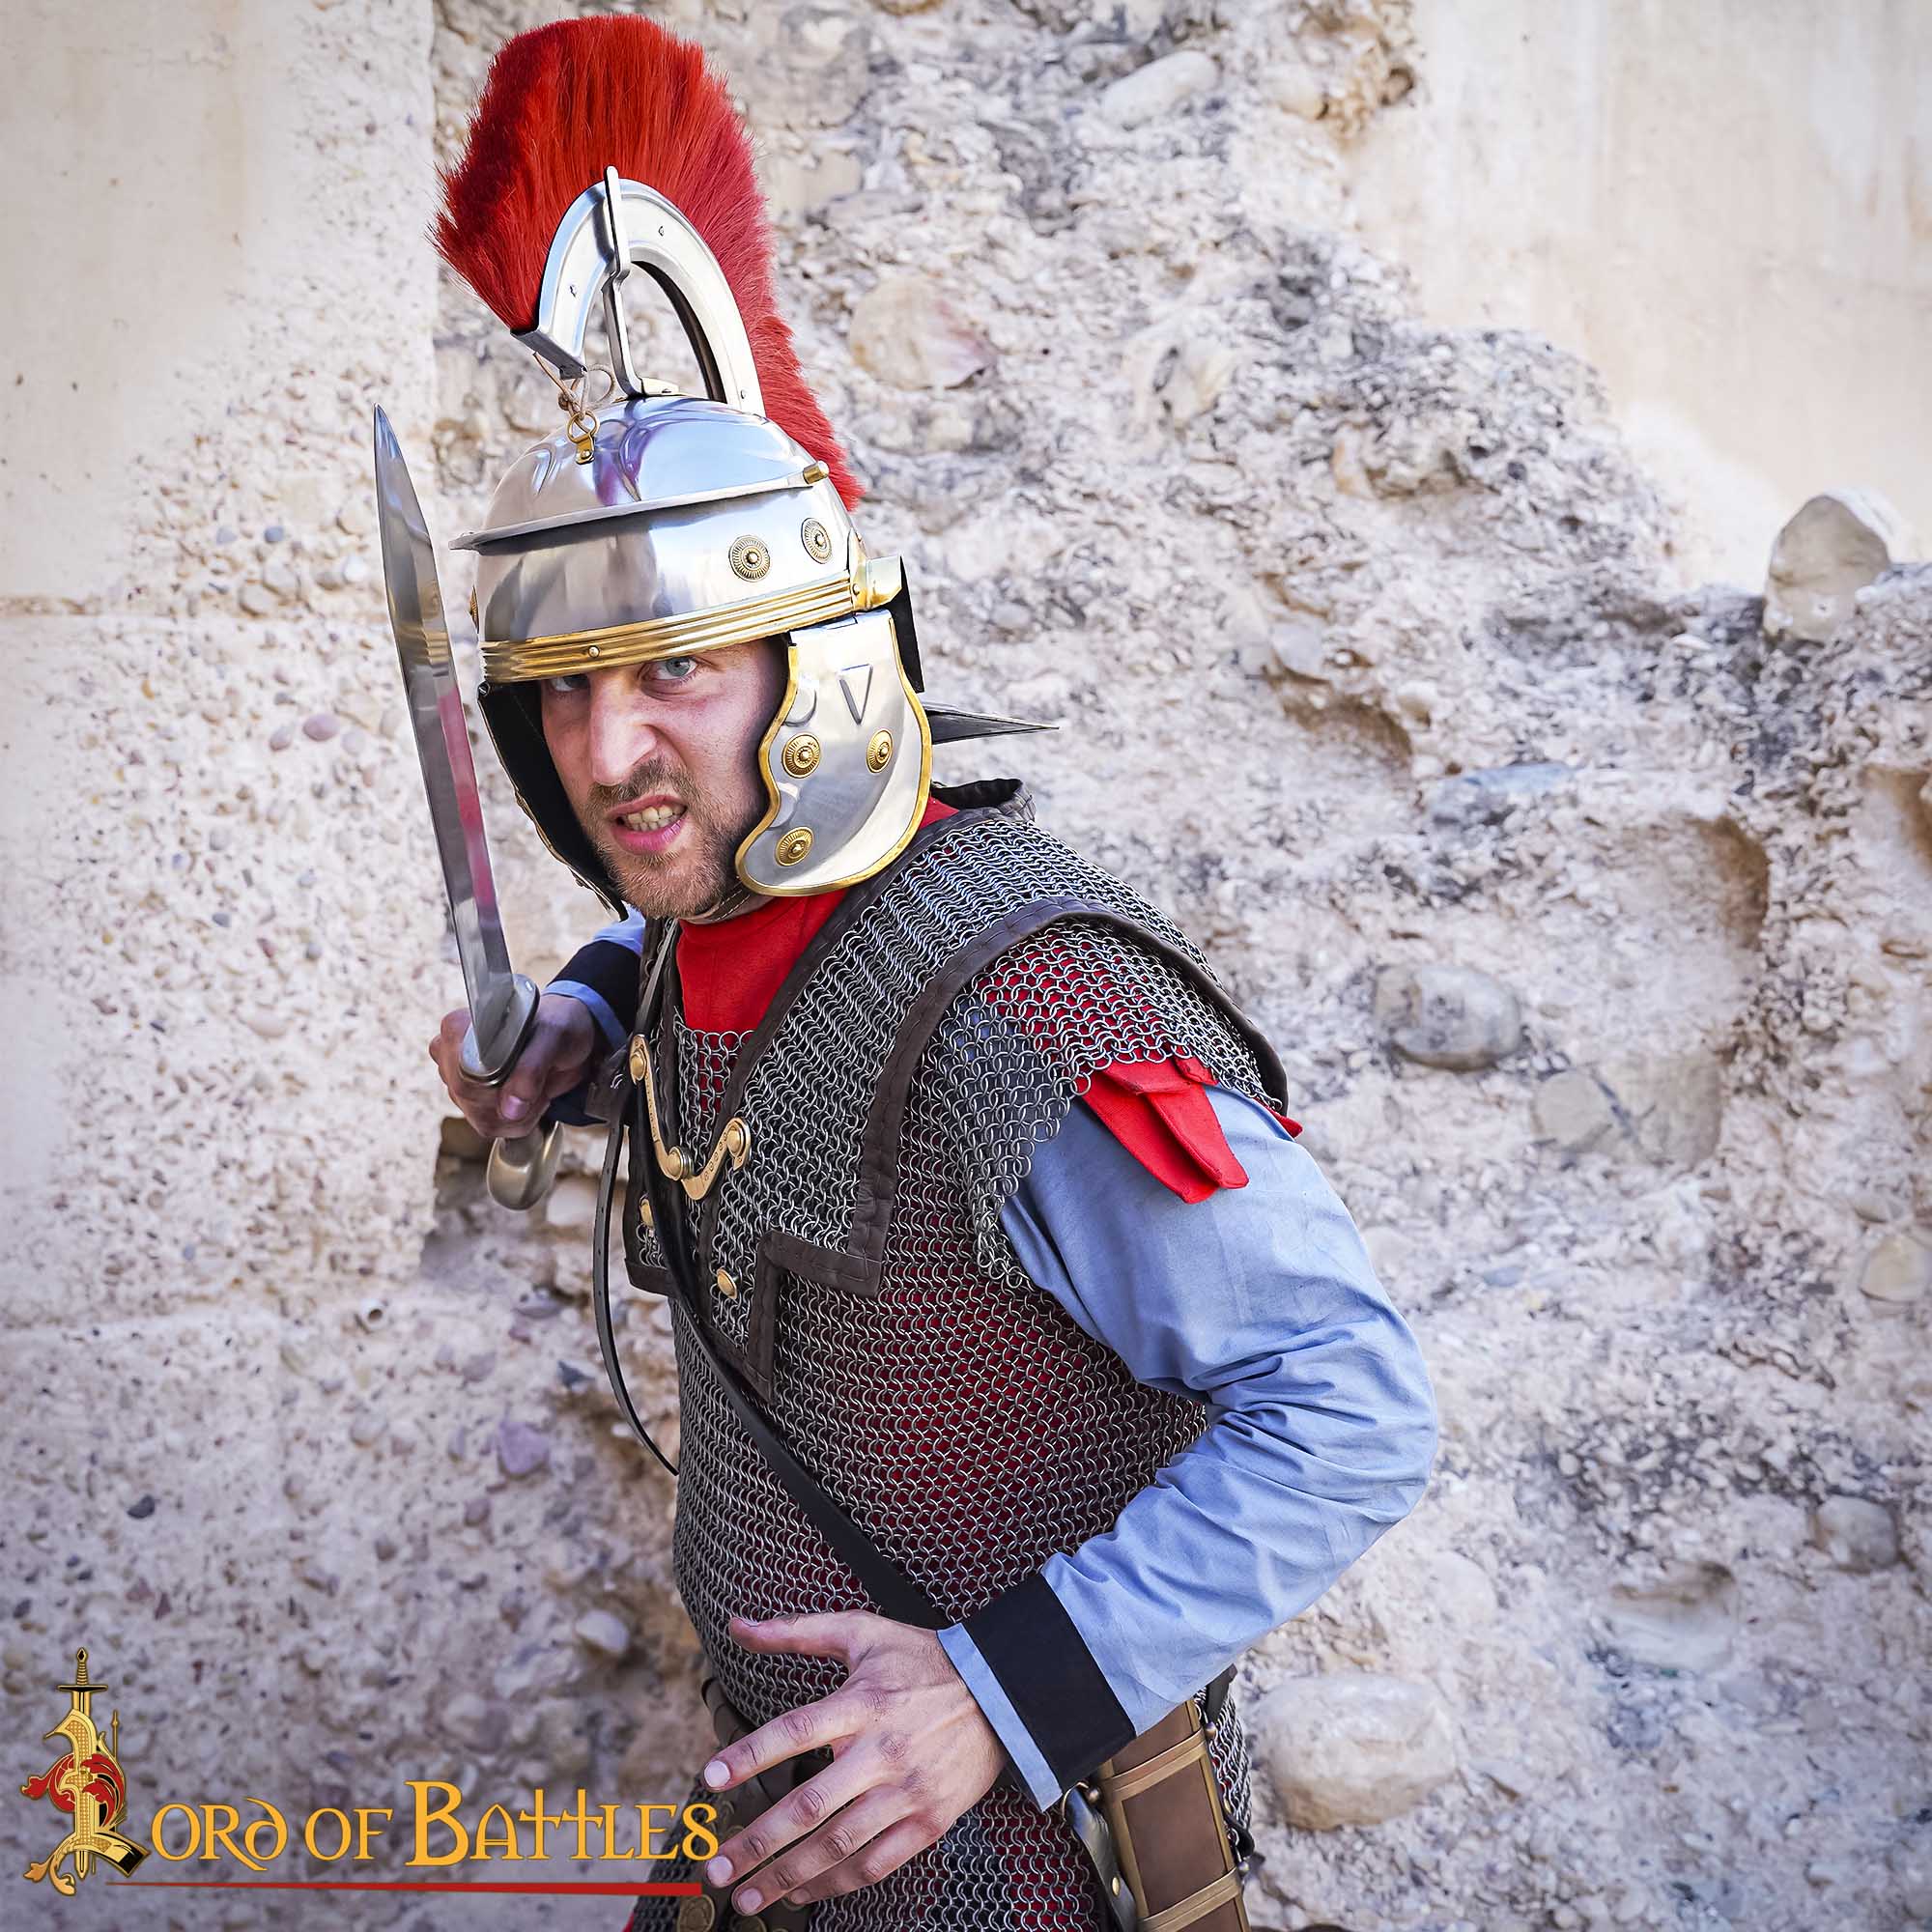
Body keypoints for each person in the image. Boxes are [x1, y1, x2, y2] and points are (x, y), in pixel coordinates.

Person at [423, 18, 1436, 1931]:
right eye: (565, 697)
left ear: (813, 676)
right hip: (776, 1821)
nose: (613, 754)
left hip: (1013, 1859)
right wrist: (591, 1001)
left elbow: (1351, 1406)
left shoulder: (1030, 1011)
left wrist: (1002, 1694)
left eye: (676, 673)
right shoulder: (716, 917)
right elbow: (718, 940)